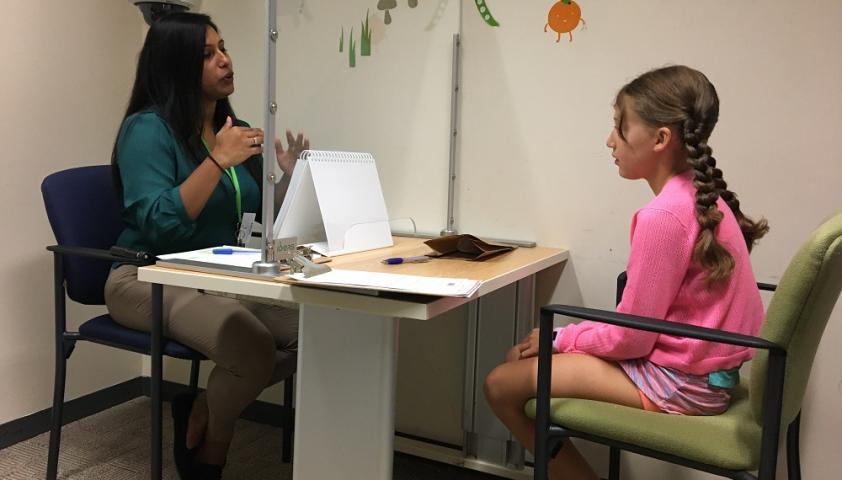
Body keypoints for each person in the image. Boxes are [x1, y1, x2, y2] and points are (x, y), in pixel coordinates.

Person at [483, 65, 769, 480]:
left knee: (501, 383)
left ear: (660, 139)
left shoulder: (664, 216)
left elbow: (632, 338)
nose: (609, 140)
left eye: (620, 126)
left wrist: (562, 336)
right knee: (520, 361)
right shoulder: (703, 196)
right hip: (707, 375)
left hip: (681, 382)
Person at [104, 12, 309, 480]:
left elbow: (255, 223)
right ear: (175, 64)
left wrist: (290, 180)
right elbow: (158, 225)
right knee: (253, 348)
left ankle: (202, 406)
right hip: (144, 275)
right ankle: (211, 455)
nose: (225, 61)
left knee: (319, 332)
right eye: (207, 54)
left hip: (217, 277)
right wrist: (218, 159)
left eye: (224, 48)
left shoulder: (234, 128)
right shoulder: (147, 131)